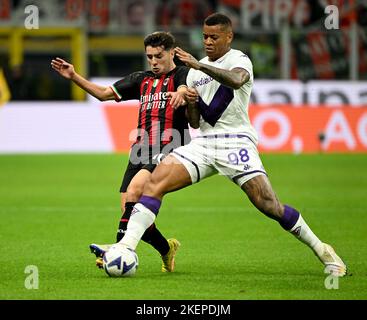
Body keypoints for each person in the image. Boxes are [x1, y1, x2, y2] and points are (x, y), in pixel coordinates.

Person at [115, 13, 347, 277]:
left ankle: (324, 251)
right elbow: (195, 122)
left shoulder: (238, 59)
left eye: (214, 37)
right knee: (154, 183)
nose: (208, 42)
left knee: (268, 204)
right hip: (204, 143)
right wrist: (191, 102)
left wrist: (198, 67)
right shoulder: (194, 71)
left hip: (236, 141)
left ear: (229, 36)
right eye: (205, 37)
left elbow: (236, 80)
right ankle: (125, 248)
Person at [51, 31, 200, 272]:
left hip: (171, 143)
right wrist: (73, 76)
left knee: (135, 191)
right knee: (129, 211)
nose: (153, 62)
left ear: (172, 52)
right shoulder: (141, 79)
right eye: (149, 57)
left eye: (158, 56)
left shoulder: (182, 73)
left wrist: (182, 94)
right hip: (141, 147)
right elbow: (103, 94)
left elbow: (184, 88)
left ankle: (118, 248)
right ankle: (166, 249)